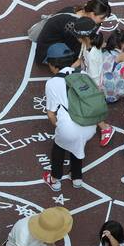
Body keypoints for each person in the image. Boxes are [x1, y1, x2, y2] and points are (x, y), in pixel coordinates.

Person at [41, 43, 96, 192]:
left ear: (53, 64)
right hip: (90, 124)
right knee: (78, 145)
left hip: (69, 128)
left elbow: (51, 113)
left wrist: (60, 127)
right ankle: (77, 177)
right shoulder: (84, 75)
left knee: (59, 146)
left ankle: (55, 180)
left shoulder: (52, 83)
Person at [35, 0, 111, 64]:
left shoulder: (76, 10)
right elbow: (77, 50)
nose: (103, 21)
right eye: (102, 18)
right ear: (92, 14)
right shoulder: (73, 25)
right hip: (45, 53)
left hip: (49, 43)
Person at [76, 31, 116, 147]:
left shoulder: (93, 55)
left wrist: (92, 90)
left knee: (91, 107)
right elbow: (82, 60)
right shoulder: (86, 45)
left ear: (86, 38)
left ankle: (105, 128)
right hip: (88, 78)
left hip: (93, 84)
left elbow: (94, 76)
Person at [100, 29, 124, 104]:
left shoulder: (103, 49)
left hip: (99, 89)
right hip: (112, 95)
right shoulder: (122, 55)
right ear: (123, 44)